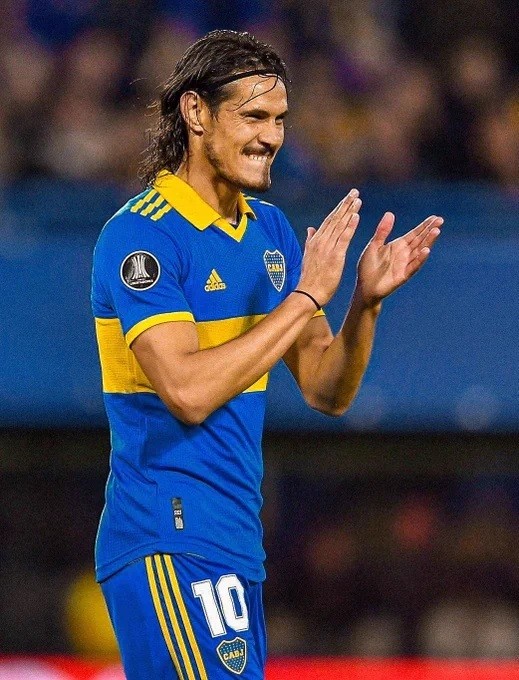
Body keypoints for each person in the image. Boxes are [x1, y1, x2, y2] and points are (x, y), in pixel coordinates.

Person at [91, 29, 443, 680]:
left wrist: (363, 304)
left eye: (280, 119)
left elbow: (326, 390)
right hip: (166, 536)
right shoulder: (140, 237)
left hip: (234, 543)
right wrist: (305, 296)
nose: (272, 136)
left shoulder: (270, 231)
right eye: (253, 116)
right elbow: (187, 392)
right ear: (196, 112)